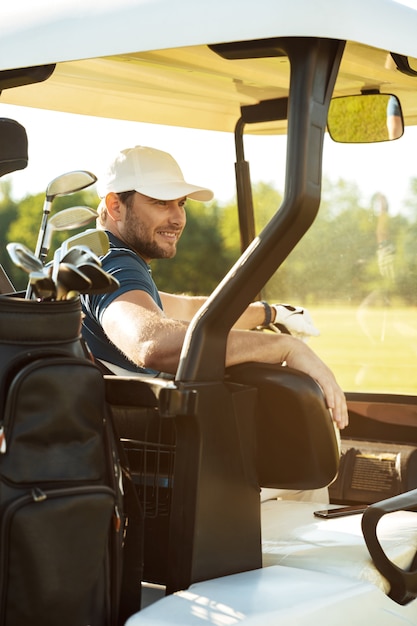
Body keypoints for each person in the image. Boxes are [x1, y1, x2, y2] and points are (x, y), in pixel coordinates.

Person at [81, 145, 348, 430]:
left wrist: (270, 313)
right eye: (161, 202)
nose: (177, 218)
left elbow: (185, 310)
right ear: (115, 206)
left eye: (181, 204)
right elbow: (151, 341)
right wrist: (284, 348)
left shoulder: (98, 255)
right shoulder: (112, 262)